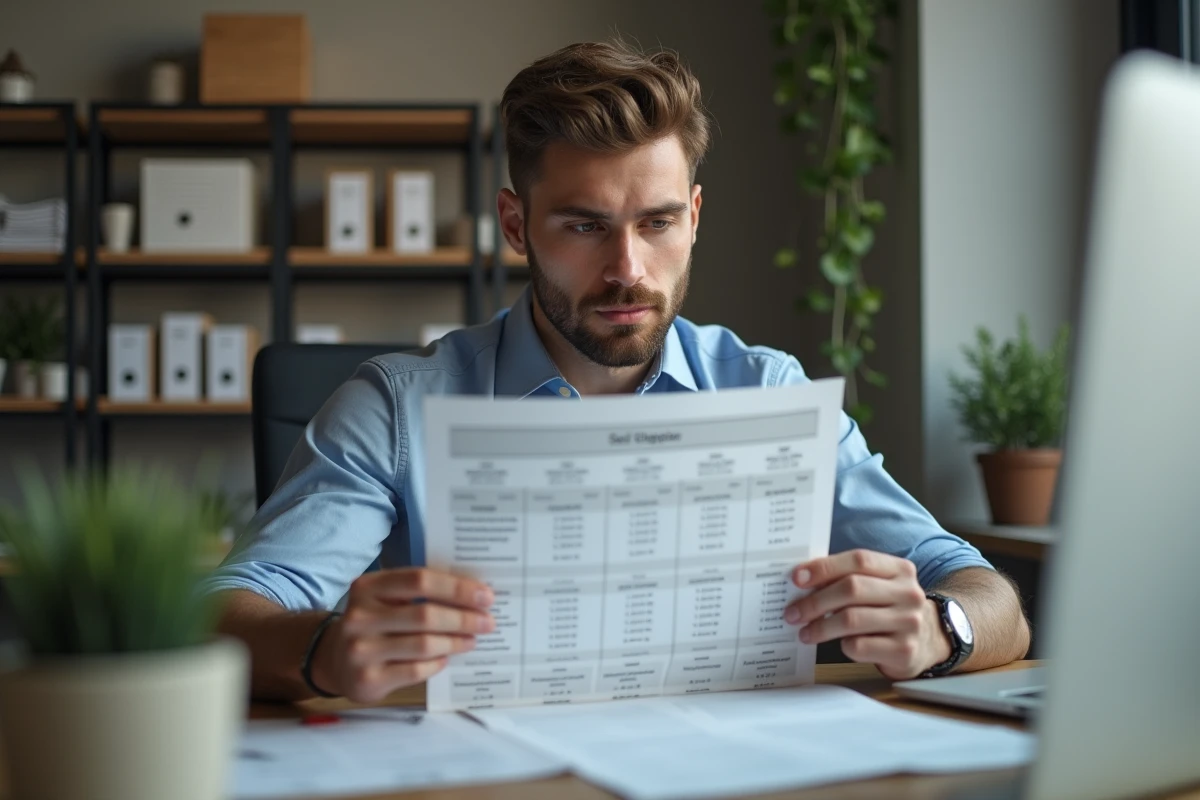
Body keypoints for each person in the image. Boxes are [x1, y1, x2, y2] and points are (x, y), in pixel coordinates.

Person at [204, 40, 1030, 703]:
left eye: (659, 222)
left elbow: (987, 595)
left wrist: (941, 628)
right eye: (585, 225)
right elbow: (221, 612)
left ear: (695, 218)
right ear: (516, 223)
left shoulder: (769, 393)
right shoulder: (394, 407)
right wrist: (322, 650)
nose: (629, 268)